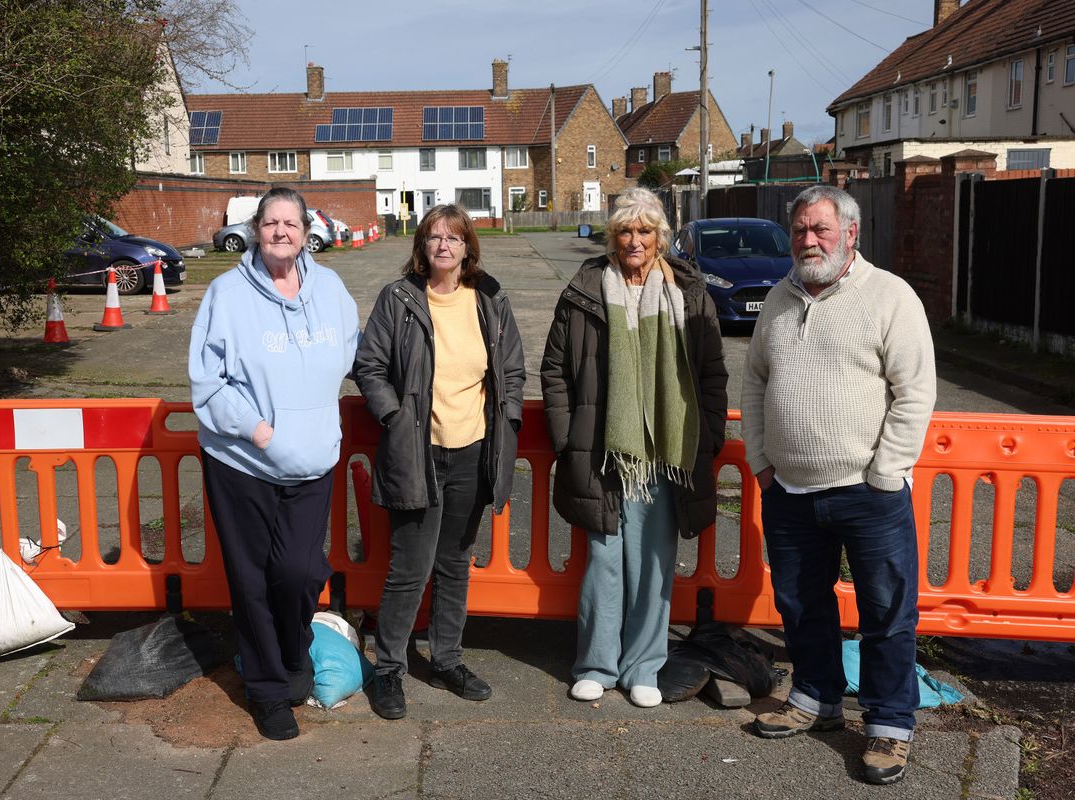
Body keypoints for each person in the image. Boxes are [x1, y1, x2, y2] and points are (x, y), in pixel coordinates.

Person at [741, 185, 936, 785]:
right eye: (800, 230)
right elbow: (753, 382)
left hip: (868, 491)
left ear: (851, 234)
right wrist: (763, 463)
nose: (808, 241)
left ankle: (888, 724)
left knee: (886, 611)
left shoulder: (890, 296)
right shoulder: (778, 298)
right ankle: (815, 697)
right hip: (791, 491)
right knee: (802, 607)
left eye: (821, 230)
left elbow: (916, 391)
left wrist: (885, 471)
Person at [540, 187, 727, 708]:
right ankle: (596, 664)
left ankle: (645, 665)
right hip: (602, 449)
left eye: (645, 230)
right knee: (603, 559)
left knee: (654, 561)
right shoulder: (585, 288)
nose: (635, 240)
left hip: (666, 452)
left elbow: (712, 371)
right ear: (612, 236)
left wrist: (708, 436)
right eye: (626, 230)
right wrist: (565, 438)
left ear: (661, 237)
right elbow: (555, 370)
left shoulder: (689, 292)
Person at [188, 187, 359, 741]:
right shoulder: (226, 294)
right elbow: (208, 383)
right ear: (257, 230)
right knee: (253, 581)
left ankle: (292, 652)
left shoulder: (330, 288)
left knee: (299, 572)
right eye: (271, 223)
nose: (281, 232)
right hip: (243, 463)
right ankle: (268, 691)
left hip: (313, 462)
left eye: (291, 223)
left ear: (307, 231)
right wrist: (260, 431)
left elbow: (359, 355)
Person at [354, 204, 525, 720]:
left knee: (454, 564)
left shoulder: (490, 299)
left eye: (454, 238)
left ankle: (447, 659)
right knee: (409, 567)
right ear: (422, 247)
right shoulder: (400, 299)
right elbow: (369, 366)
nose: (444, 246)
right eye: (434, 238)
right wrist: (394, 417)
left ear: (468, 247)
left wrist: (508, 419)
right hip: (418, 451)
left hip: (473, 449)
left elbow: (512, 370)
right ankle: (388, 669)